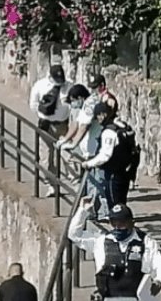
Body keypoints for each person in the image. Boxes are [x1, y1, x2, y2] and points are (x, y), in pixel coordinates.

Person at [64, 73, 118, 220]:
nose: (94, 90)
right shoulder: (93, 100)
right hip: (92, 148)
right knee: (91, 182)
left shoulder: (108, 100)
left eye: (96, 87)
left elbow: (86, 124)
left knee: (99, 182)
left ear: (102, 86)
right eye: (92, 88)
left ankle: (104, 213)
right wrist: (69, 141)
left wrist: (73, 143)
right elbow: (79, 122)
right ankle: (95, 211)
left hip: (99, 148)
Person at [82, 102, 138, 207]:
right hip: (125, 170)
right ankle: (124, 220)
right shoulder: (121, 125)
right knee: (121, 201)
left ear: (103, 114)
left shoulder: (109, 131)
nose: (97, 119)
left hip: (113, 173)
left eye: (98, 116)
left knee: (114, 203)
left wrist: (89, 163)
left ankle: (119, 222)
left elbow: (105, 155)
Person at [29, 64, 72, 197]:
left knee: (69, 155)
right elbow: (33, 104)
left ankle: (75, 183)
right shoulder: (40, 86)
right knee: (47, 156)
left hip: (63, 125)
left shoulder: (69, 87)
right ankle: (51, 185)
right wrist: (44, 116)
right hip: (46, 125)